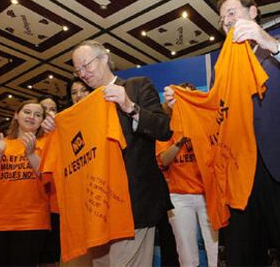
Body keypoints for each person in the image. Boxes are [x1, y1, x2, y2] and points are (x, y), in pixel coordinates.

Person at [164, 0, 280, 265]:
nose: (226, 21)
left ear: (253, 12)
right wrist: (185, 104)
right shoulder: (221, 67)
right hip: (240, 173)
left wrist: (269, 42)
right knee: (243, 255)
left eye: (231, 13)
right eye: (222, 19)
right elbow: (216, 112)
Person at [71, 40, 173, 266]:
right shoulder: (85, 107)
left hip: (134, 202)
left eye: (86, 65)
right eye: (78, 70)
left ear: (104, 58)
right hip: (99, 206)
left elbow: (164, 129)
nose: (83, 74)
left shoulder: (137, 86)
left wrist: (130, 107)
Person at [0, 99, 50, 266]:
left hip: (32, 222)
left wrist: (30, 155)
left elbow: (49, 178)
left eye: (38, 115)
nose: (32, 117)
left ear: (42, 121)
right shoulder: (0, 144)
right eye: (27, 112)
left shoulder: (47, 144)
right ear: (16, 115)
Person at [157, 83, 218, 267]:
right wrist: (181, 139)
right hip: (179, 197)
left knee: (215, 250)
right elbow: (163, 160)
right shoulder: (166, 127)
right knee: (186, 255)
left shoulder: (208, 123)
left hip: (209, 195)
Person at [39, 95, 61, 267]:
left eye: (52, 109)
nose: (48, 113)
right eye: (43, 110)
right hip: (30, 208)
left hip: (55, 206)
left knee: (50, 257)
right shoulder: (26, 137)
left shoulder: (63, 136)